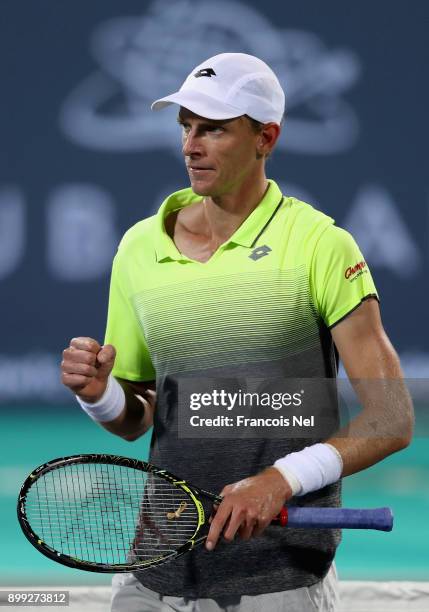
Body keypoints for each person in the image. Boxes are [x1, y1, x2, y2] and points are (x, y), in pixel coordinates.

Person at [61, 53, 413, 612]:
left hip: (278, 576)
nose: (191, 146)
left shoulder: (320, 244)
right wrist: (100, 395)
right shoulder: (138, 248)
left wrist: (281, 479)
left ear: (265, 138)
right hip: (155, 567)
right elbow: (139, 418)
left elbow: (392, 418)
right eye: (186, 127)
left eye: (214, 129)